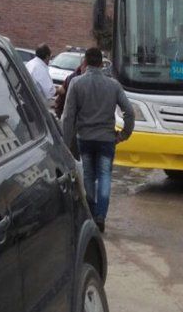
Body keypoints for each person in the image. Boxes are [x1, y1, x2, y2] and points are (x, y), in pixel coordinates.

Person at [62, 47, 135, 232]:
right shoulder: (113, 85)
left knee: (88, 175)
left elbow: (68, 117)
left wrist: (65, 142)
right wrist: (124, 134)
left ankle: (92, 213)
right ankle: (101, 215)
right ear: (102, 63)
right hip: (106, 139)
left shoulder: (76, 84)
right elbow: (130, 112)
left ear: (85, 62)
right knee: (104, 176)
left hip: (84, 138)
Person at [54, 55, 87, 120]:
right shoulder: (72, 79)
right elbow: (62, 96)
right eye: (85, 66)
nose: (86, 69)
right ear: (81, 66)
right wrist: (59, 112)